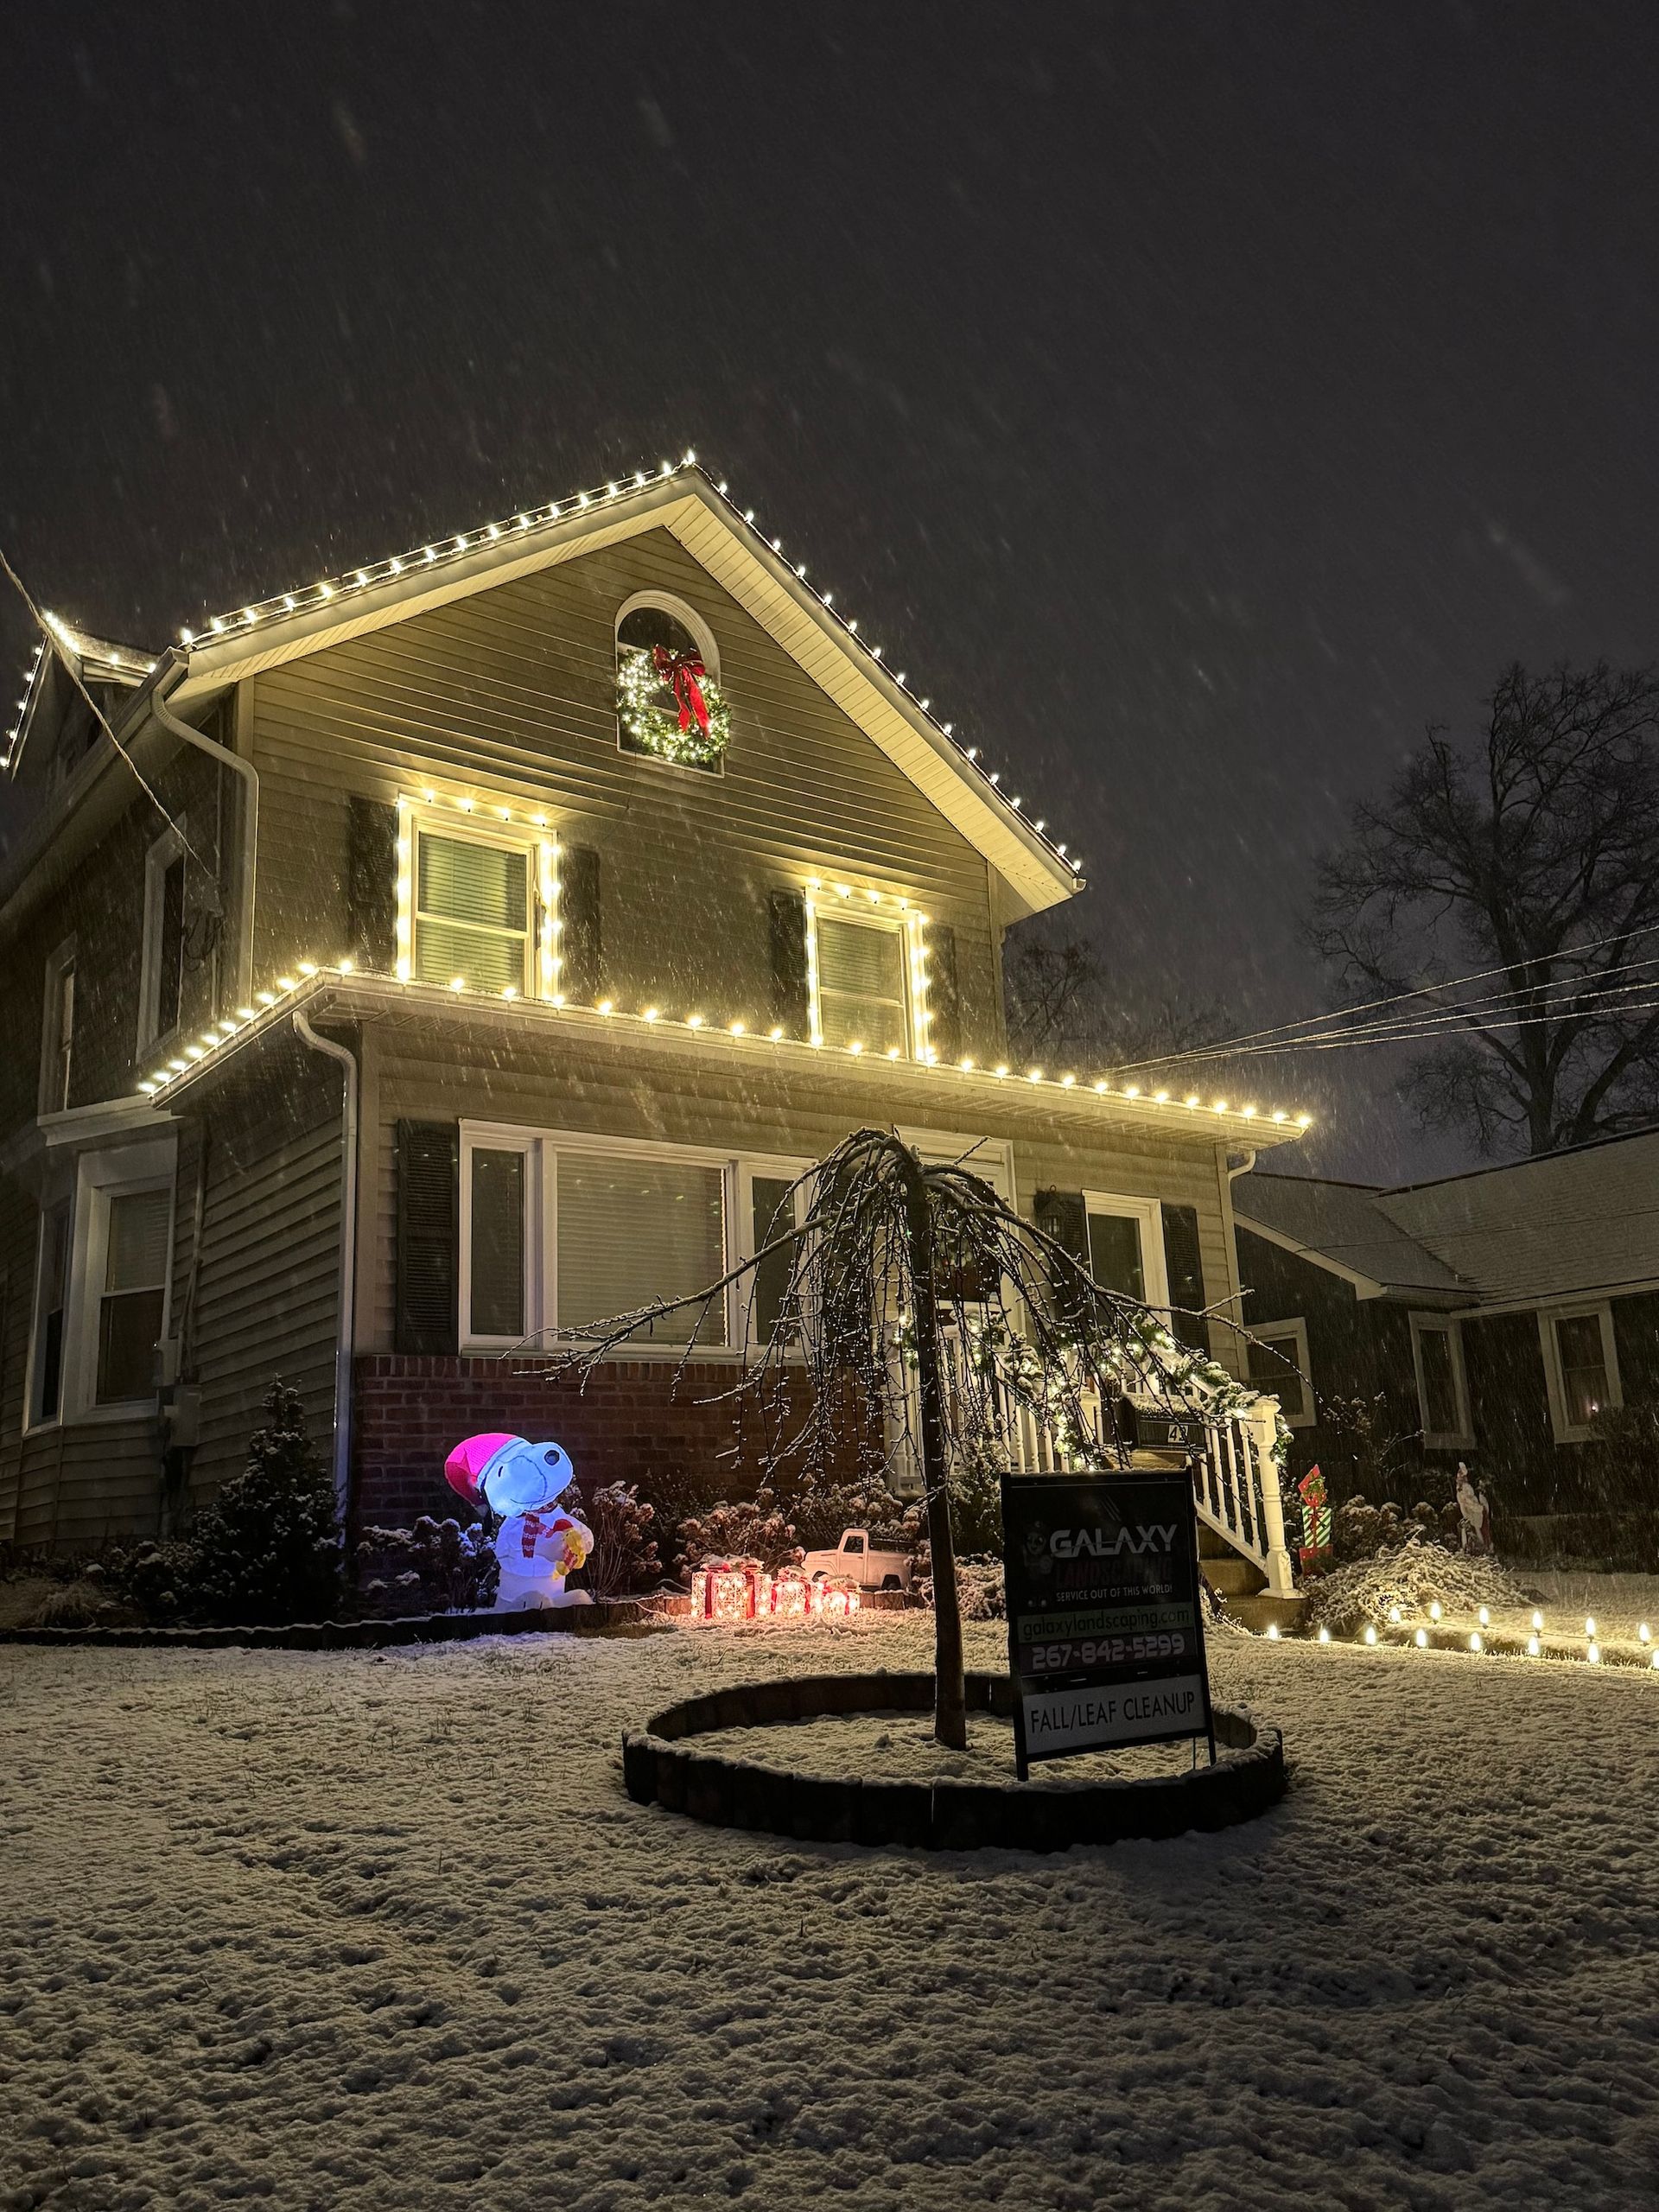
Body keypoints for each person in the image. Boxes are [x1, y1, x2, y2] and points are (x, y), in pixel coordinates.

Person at [1455, 1460, 1492, 1556]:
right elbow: (1463, 1502)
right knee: (1467, 1529)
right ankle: (1466, 1548)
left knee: (1475, 1528)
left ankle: (1481, 1547)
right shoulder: (1460, 1490)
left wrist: (1471, 1505)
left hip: (1473, 1510)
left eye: (1460, 1477)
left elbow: (1470, 1500)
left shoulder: (1466, 1488)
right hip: (1468, 1511)